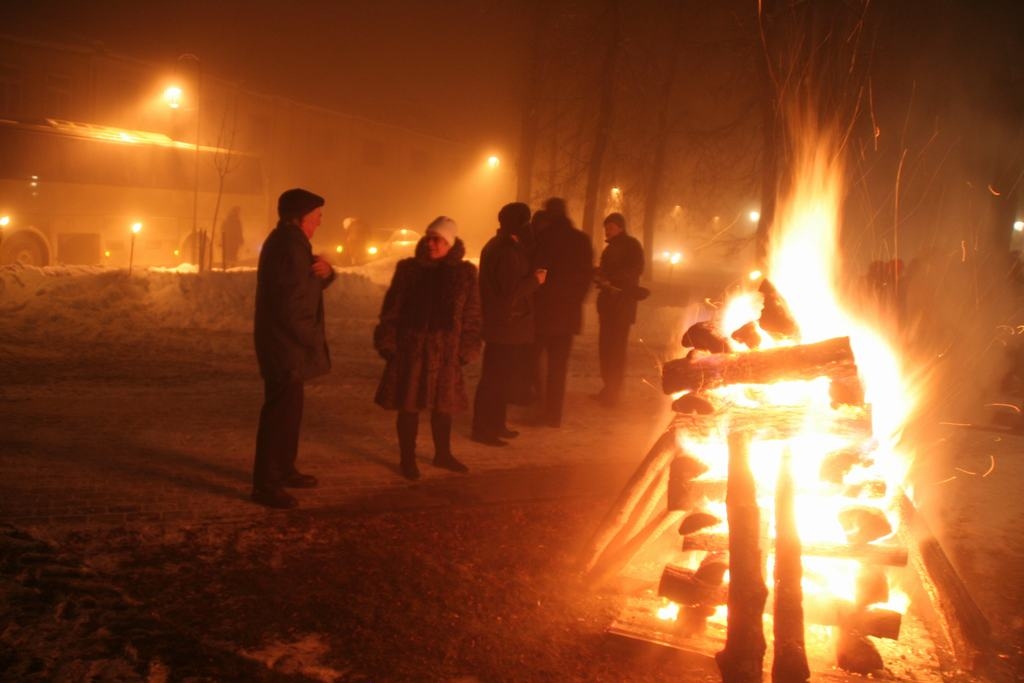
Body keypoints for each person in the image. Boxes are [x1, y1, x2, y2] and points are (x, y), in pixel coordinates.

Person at [374, 217, 482, 480]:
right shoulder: (409, 270)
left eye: (438, 239)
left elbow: (473, 315)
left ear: (450, 243)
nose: (431, 243)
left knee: (443, 406)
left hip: (446, 353)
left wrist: (466, 349)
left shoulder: (465, 274)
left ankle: (442, 454)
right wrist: (388, 344)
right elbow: (391, 311)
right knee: (408, 406)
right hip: (411, 352)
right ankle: (407, 459)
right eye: (429, 237)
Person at [252, 188, 335, 509]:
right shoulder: (287, 246)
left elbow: (306, 283)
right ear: (299, 217)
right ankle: (266, 484)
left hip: (289, 344)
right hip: (285, 345)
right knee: (279, 415)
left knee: (290, 413)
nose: (319, 222)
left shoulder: (295, 244)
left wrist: (326, 273)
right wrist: (311, 337)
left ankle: (284, 469)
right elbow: (290, 304)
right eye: (316, 217)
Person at [472, 202, 546, 446]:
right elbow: (510, 292)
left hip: (504, 325)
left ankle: (495, 424)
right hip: (505, 326)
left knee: (500, 378)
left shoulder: (503, 246)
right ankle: (484, 429)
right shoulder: (506, 251)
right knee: (494, 379)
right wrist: (535, 280)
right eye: (527, 222)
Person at [532, 197, 593, 427]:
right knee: (558, 365)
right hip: (568, 313)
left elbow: (536, 272)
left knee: (537, 361)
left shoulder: (544, 239)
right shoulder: (581, 241)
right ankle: (553, 414)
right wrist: (575, 301)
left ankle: (541, 406)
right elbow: (586, 277)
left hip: (544, 311)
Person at [593, 211, 644, 407]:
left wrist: (611, 279)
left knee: (615, 351)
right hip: (608, 306)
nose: (608, 230)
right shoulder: (611, 248)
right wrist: (599, 275)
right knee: (605, 349)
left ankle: (613, 392)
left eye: (611, 227)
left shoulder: (631, 246)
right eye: (606, 227)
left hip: (621, 307)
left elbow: (635, 269)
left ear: (620, 228)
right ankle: (608, 388)